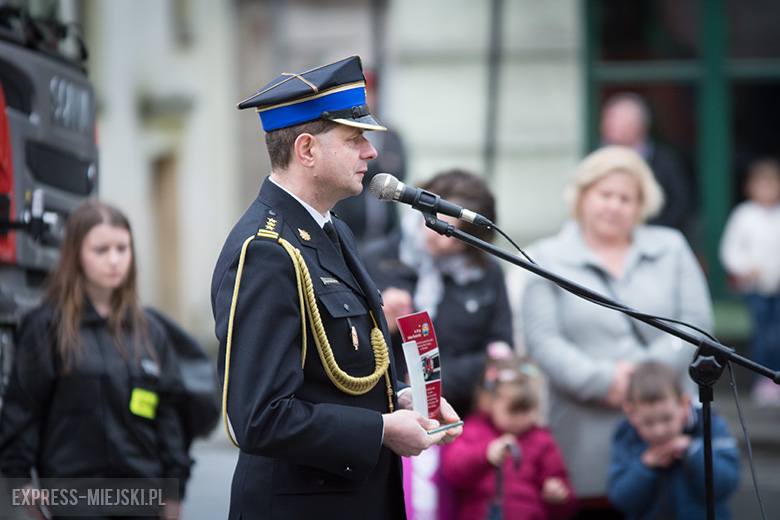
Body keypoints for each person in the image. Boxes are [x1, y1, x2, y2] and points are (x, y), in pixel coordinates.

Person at [210, 55, 461, 520]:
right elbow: (259, 417)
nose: (371, 152)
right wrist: (381, 429)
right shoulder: (266, 251)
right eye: (354, 139)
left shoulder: (332, 229)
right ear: (306, 150)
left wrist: (399, 397)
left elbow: (332, 374)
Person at [521, 145, 713, 519]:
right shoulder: (545, 257)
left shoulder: (672, 247)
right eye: (604, 194)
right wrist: (603, 380)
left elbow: (696, 323)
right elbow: (543, 341)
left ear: (641, 204)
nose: (614, 206)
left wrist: (644, 377)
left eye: (626, 198)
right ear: (582, 197)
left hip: (671, 429)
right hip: (584, 431)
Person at [0, 200, 191, 520]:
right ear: (76, 254)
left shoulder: (149, 331)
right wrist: (23, 488)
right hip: (74, 502)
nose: (114, 260)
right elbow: (22, 414)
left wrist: (174, 494)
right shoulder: (45, 328)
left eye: (122, 248)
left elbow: (170, 419)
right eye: (101, 250)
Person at [362, 168, 514, 418]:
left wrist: (432, 381)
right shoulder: (374, 259)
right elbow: (348, 348)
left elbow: (500, 351)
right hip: (391, 411)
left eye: (458, 237)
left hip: (466, 415)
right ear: (425, 203)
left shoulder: (486, 271)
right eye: (443, 228)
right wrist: (379, 323)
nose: (445, 243)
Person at [441, 349, 578, 520]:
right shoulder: (472, 430)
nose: (520, 419)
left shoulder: (542, 440)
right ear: (488, 401)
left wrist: (558, 495)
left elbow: (566, 504)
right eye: (513, 411)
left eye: (526, 410)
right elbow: (453, 471)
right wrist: (485, 455)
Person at [608, 360, 741, 520]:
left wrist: (693, 451)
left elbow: (726, 484)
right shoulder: (626, 436)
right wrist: (646, 466)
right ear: (631, 413)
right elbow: (622, 500)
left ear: (684, 404)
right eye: (648, 422)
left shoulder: (708, 423)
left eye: (667, 418)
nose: (659, 430)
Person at [719, 157, 780, 406]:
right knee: (762, 333)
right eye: (761, 184)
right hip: (756, 287)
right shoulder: (743, 215)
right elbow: (730, 250)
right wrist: (746, 267)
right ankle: (763, 379)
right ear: (750, 187)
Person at [332, 69, 407, 252]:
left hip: (386, 232)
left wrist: (367, 169)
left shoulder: (390, 134)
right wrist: (380, 166)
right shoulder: (341, 132)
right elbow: (342, 170)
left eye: (370, 92)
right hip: (350, 231)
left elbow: (400, 172)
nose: (370, 154)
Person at [599, 92, 692, 232]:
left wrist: (649, 230)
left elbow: (681, 204)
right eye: (609, 120)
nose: (612, 126)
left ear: (641, 126)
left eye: (620, 121)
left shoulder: (665, 160)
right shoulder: (595, 158)